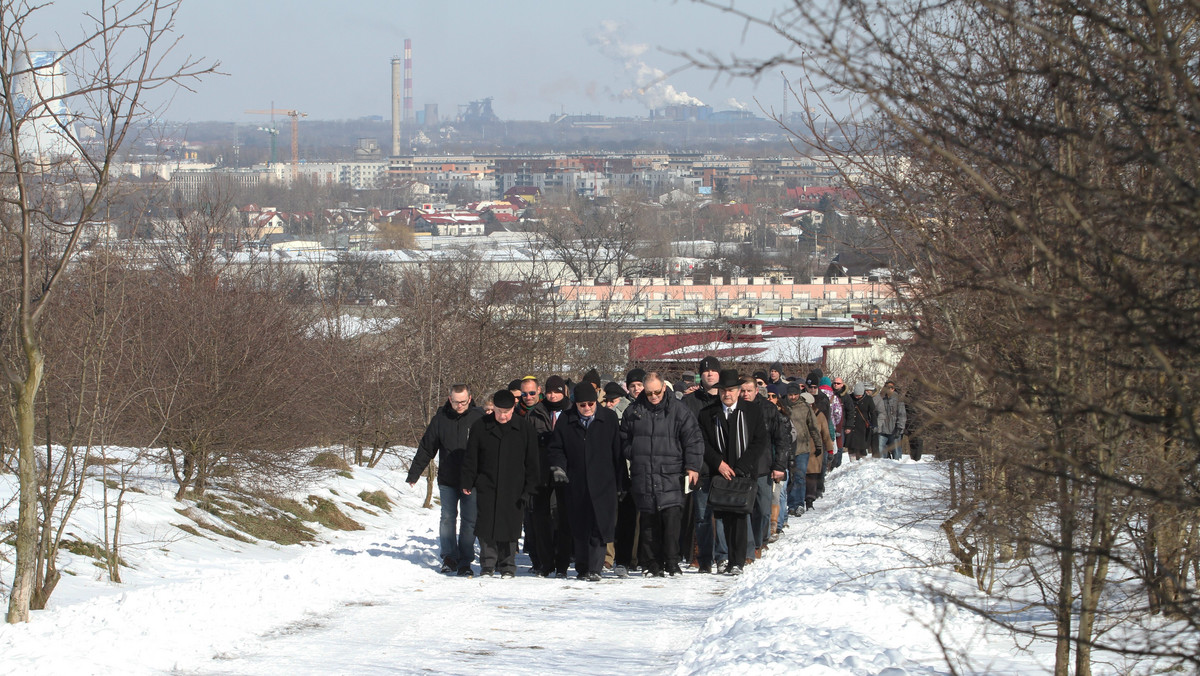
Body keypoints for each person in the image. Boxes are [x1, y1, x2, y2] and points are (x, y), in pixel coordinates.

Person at [620, 372, 704, 577]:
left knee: (672, 522)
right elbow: (623, 440)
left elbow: (693, 439)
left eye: (657, 392)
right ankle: (651, 564)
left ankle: (672, 562)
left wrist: (692, 467)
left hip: (671, 473)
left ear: (664, 388)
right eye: (649, 393)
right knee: (648, 523)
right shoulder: (633, 412)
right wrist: (635, 453)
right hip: (645, 474)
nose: (654, 396)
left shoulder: (679, 410)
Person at [548, 383, 628, 581]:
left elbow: (617, 452)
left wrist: (621, 483)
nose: (587, 408)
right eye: (582, 405)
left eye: (591, 404)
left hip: (603, 481)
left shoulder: (608, 418)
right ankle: (583, 568)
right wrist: (559, 467)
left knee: (599, 527)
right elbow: (557, 448)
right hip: (576, 482)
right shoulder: (566, 420)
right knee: (580, 527)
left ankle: (596, 568)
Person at [406, 384, 485, 577]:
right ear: (450, 399)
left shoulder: (479, 418)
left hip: (472, 480)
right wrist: (414, 473)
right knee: (448, 518)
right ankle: (449, 557)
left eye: (464, 402)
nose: (460, 405)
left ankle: (466, 560)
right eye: (456, 402)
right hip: (448, 479)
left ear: (470, 398)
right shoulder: (440, 419)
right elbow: (427, 447)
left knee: (470, 521)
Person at [461, 389, 539, 578]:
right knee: (486, 524)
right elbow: (472, 457)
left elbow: (532, 460)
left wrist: (531, 487)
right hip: (487, 482)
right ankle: (488, 565)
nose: (502, 416)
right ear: (493, 408)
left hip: (514, 485)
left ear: (513, 408)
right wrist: (467, 480)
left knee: (510, 525)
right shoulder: (481, 426)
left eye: (506, 411)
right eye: (498, 411)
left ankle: (507, 565)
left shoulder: (524, 427)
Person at [697, 369, 767, 575]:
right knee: (723, 516)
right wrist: (719, 463)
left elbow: (759, 440)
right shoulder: (708, 414)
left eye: (731, 390)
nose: (727, 394)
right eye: (723, 391)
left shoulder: (752, 411)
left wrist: (741, 467)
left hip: (743, 473)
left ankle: (738, 560)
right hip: (719, 473)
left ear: (738, 391)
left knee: (740, 516)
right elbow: (703, 443)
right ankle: (725, 558)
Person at [739, 377, 790, 559]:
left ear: (756, 390)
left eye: (749, 391)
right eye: (742, 391)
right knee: (744, 509)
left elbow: (782, 439)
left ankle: (760, 540)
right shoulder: (734, 409)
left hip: (763, 466)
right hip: (741, 468)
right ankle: (748, 547)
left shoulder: (768, 409)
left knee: (762, 509)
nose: (745, 394)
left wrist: (779, 465)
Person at [528, 375, 573, 577]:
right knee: (541, 519)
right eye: (549, 391)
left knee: (563, 517)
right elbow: (526, 443)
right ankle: (545, 563)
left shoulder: (572, 411)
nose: (553, 396)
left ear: (564, 392)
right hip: (540, 471)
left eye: (557, 391)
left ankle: (562, 563)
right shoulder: (536, 412)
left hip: (564, 470)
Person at [682, 356, 724, 571]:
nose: (709, 374)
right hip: (700, 466)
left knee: (724, 514)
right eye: (705, 371)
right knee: (701, 515)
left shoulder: (726, 400)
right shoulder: (690, 401)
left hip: (724, 466)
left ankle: (723, 556)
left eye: (713, 371)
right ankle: (704, 558)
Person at [786, 383, 825, 516]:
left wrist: (818, 444)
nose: (792, 397)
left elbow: (813, 427)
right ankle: (791, 504)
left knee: (800, 476)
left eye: (795, 394)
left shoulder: (805, 408)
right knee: (789, 478)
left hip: (802, 448)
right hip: (787, 447)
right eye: (790, 395)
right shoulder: (783, 406)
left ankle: (799, 504)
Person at [802, 391, 835, 510]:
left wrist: (830, 450)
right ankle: (798, 501)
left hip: (815, 450)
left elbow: (825, 434)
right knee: (800, 476)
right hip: (800, 449)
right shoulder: (795, 414)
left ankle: (809, 500)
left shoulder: (820, 416)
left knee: (812, 476)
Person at [874, 380, 907, 460]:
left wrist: (900, 428)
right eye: (886, 387)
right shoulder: (882, 400)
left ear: (893, 389)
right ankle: (883, 468)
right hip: (882, 430)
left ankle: (896, 469)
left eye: (890, 387)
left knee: (896, 452)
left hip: (894, 430)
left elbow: (902, 415)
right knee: (881, 451)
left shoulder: (899, 400)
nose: (888, 389)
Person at [845, 383, 876, 461]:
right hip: (851, 425)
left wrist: (874, 424)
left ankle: (862, 464)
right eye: (856, 395)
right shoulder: (849, 397)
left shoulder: (868, 399)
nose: (857, 397)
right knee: (851, 446)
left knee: (862, 446)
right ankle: (852, 462)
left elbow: (872, 412)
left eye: (859, 395)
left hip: (863, 426)